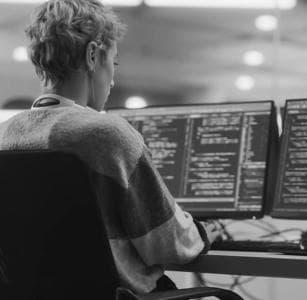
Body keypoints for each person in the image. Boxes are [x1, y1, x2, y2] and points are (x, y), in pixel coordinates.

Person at [0, 0, 220, 295]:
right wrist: (206, 232)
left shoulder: (5, 136)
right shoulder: (108, 135)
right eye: (112, 63)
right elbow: (168, 245)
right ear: (93, 55)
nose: (113, 80)